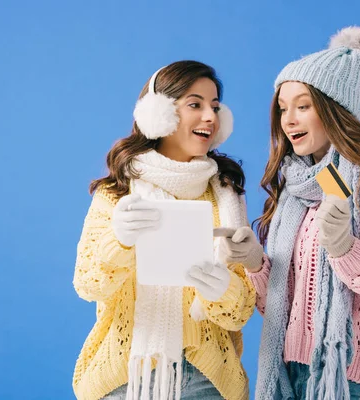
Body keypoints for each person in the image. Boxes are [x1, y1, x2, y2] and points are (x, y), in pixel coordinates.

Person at [217, 27, 360, 400]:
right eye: (283, 108)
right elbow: (285, 308)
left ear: (335, 110)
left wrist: (347, 248)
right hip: (297, 376)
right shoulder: (295, 194)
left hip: (354, 382)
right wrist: (256, 264)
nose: (288, 120)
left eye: (303, 106)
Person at [72, 60, 256, 400]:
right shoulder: (117, 191)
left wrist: (223, 288)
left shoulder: (226, 194)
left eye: (215, 107)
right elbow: (88, 282)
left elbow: (241, 309)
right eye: (195, 104)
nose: (210, 117)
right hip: (126, 375)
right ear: (159, 113)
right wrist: (120, 242)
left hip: (205, 376)